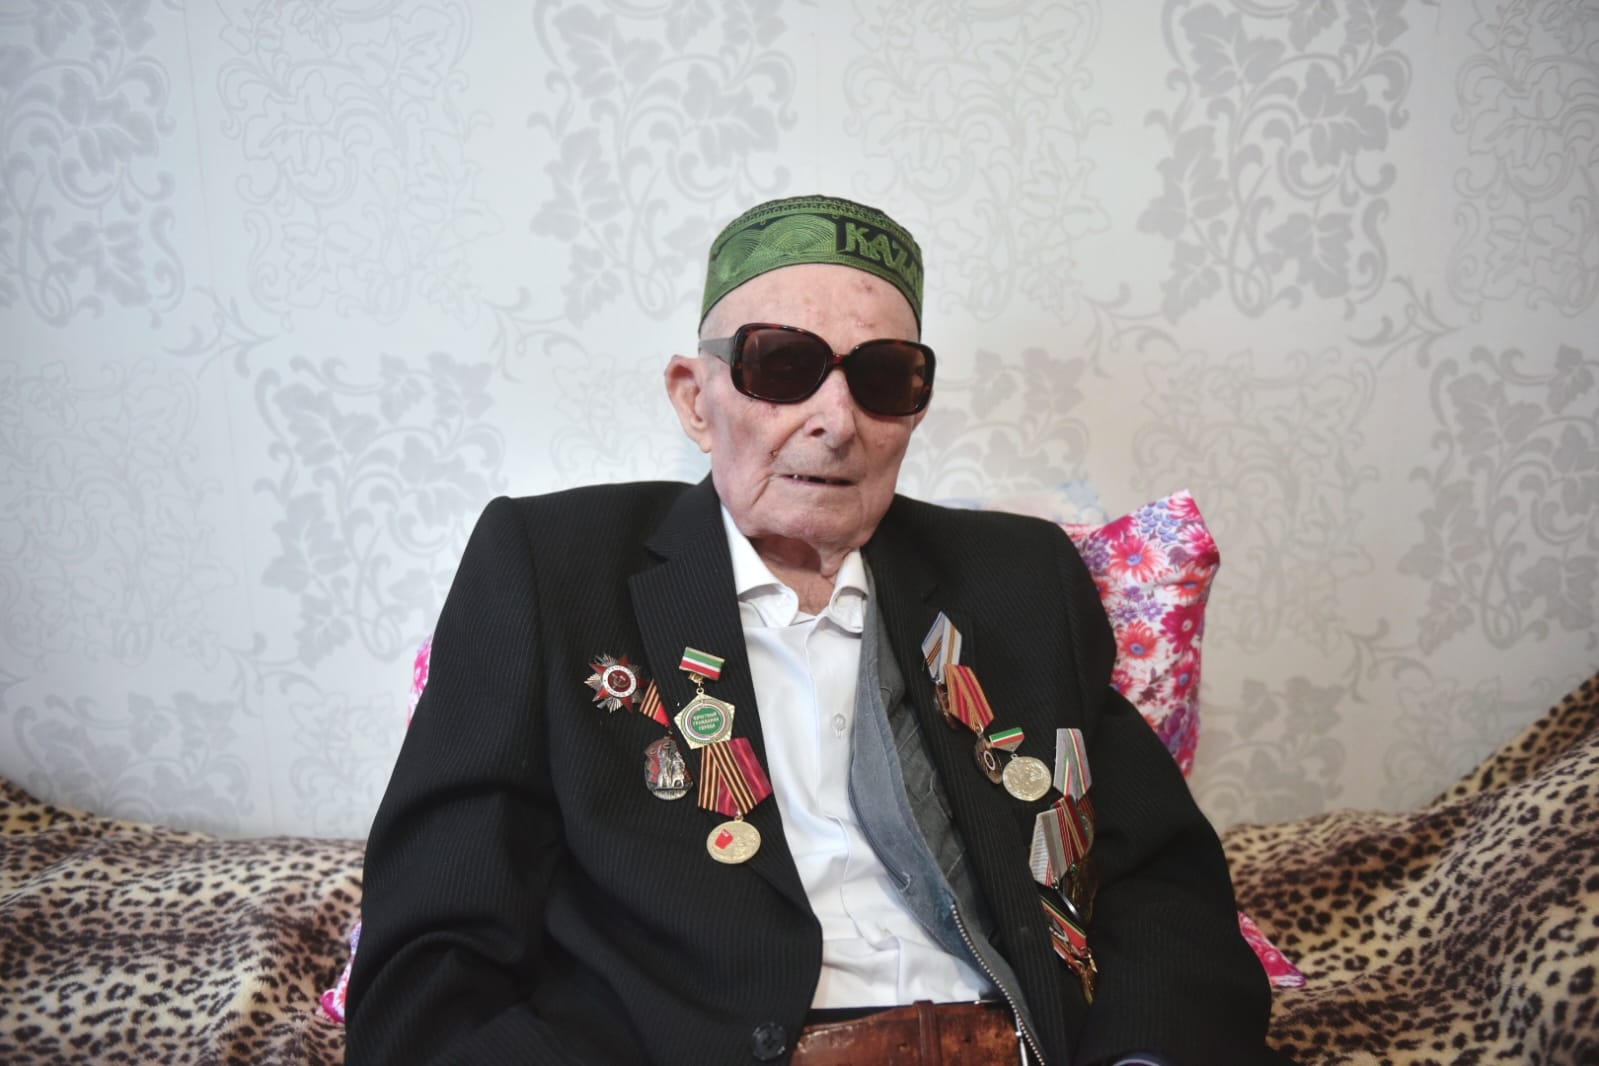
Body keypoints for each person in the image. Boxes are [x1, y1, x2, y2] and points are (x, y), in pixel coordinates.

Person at [346, 195, 1283, 1065]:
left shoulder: (1019, 578)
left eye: (883, 378)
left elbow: (1159, 883)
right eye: (781, 367)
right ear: (694, 397)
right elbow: (435, 941)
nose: (835, 420)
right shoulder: (552, 567)